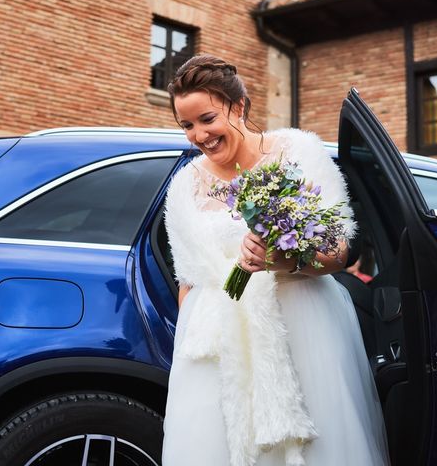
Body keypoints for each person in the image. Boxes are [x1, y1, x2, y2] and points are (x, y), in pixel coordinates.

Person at [161, 54, 390, 466]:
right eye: (187, 125)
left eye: (207, 119)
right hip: (219, 346)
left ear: (239, 107)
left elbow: (337, 252)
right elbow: (189, 281)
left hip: (302, 327)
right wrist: (190, 363)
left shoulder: (297, 153)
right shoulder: (184, 186)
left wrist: (282, 261)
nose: (198, 135)